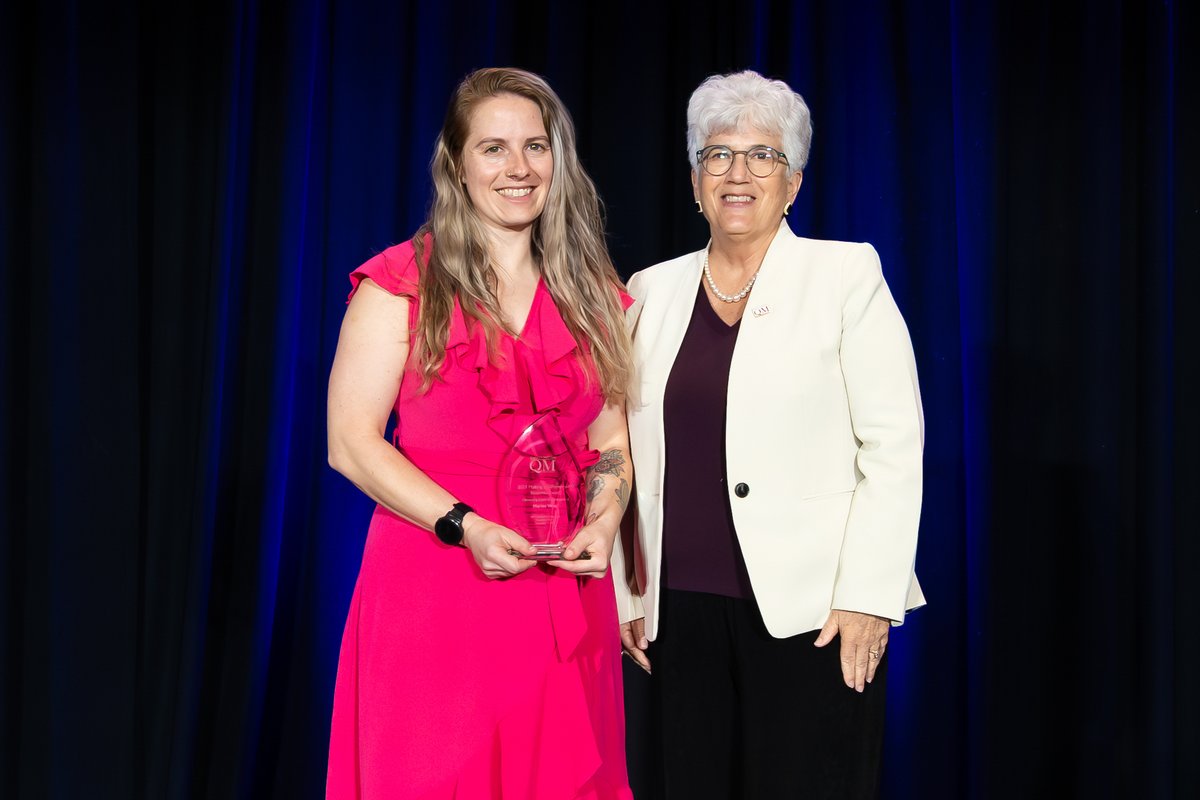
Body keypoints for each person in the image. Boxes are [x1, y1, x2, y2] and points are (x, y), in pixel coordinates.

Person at [612, 70, 925, 798]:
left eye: (764, 156)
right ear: (695, 182)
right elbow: (623, 450)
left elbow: (894, 445)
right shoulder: (649, 290)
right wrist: (630, 595)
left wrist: (868, 596)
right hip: (675, 619)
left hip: (814, 617)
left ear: (795, 182)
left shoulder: (845, 274)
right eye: (717, 155)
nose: (738, 173)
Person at [326, 67, 635, 799]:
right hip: (439, 581)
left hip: (563, 589)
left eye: (536, 146)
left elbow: (612, 439)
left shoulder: (594, 294)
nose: (519, 168)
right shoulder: (400, 282)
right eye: (493, 148)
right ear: (458, 166)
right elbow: (350, 443)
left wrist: (607, 516)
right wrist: (464, 527)